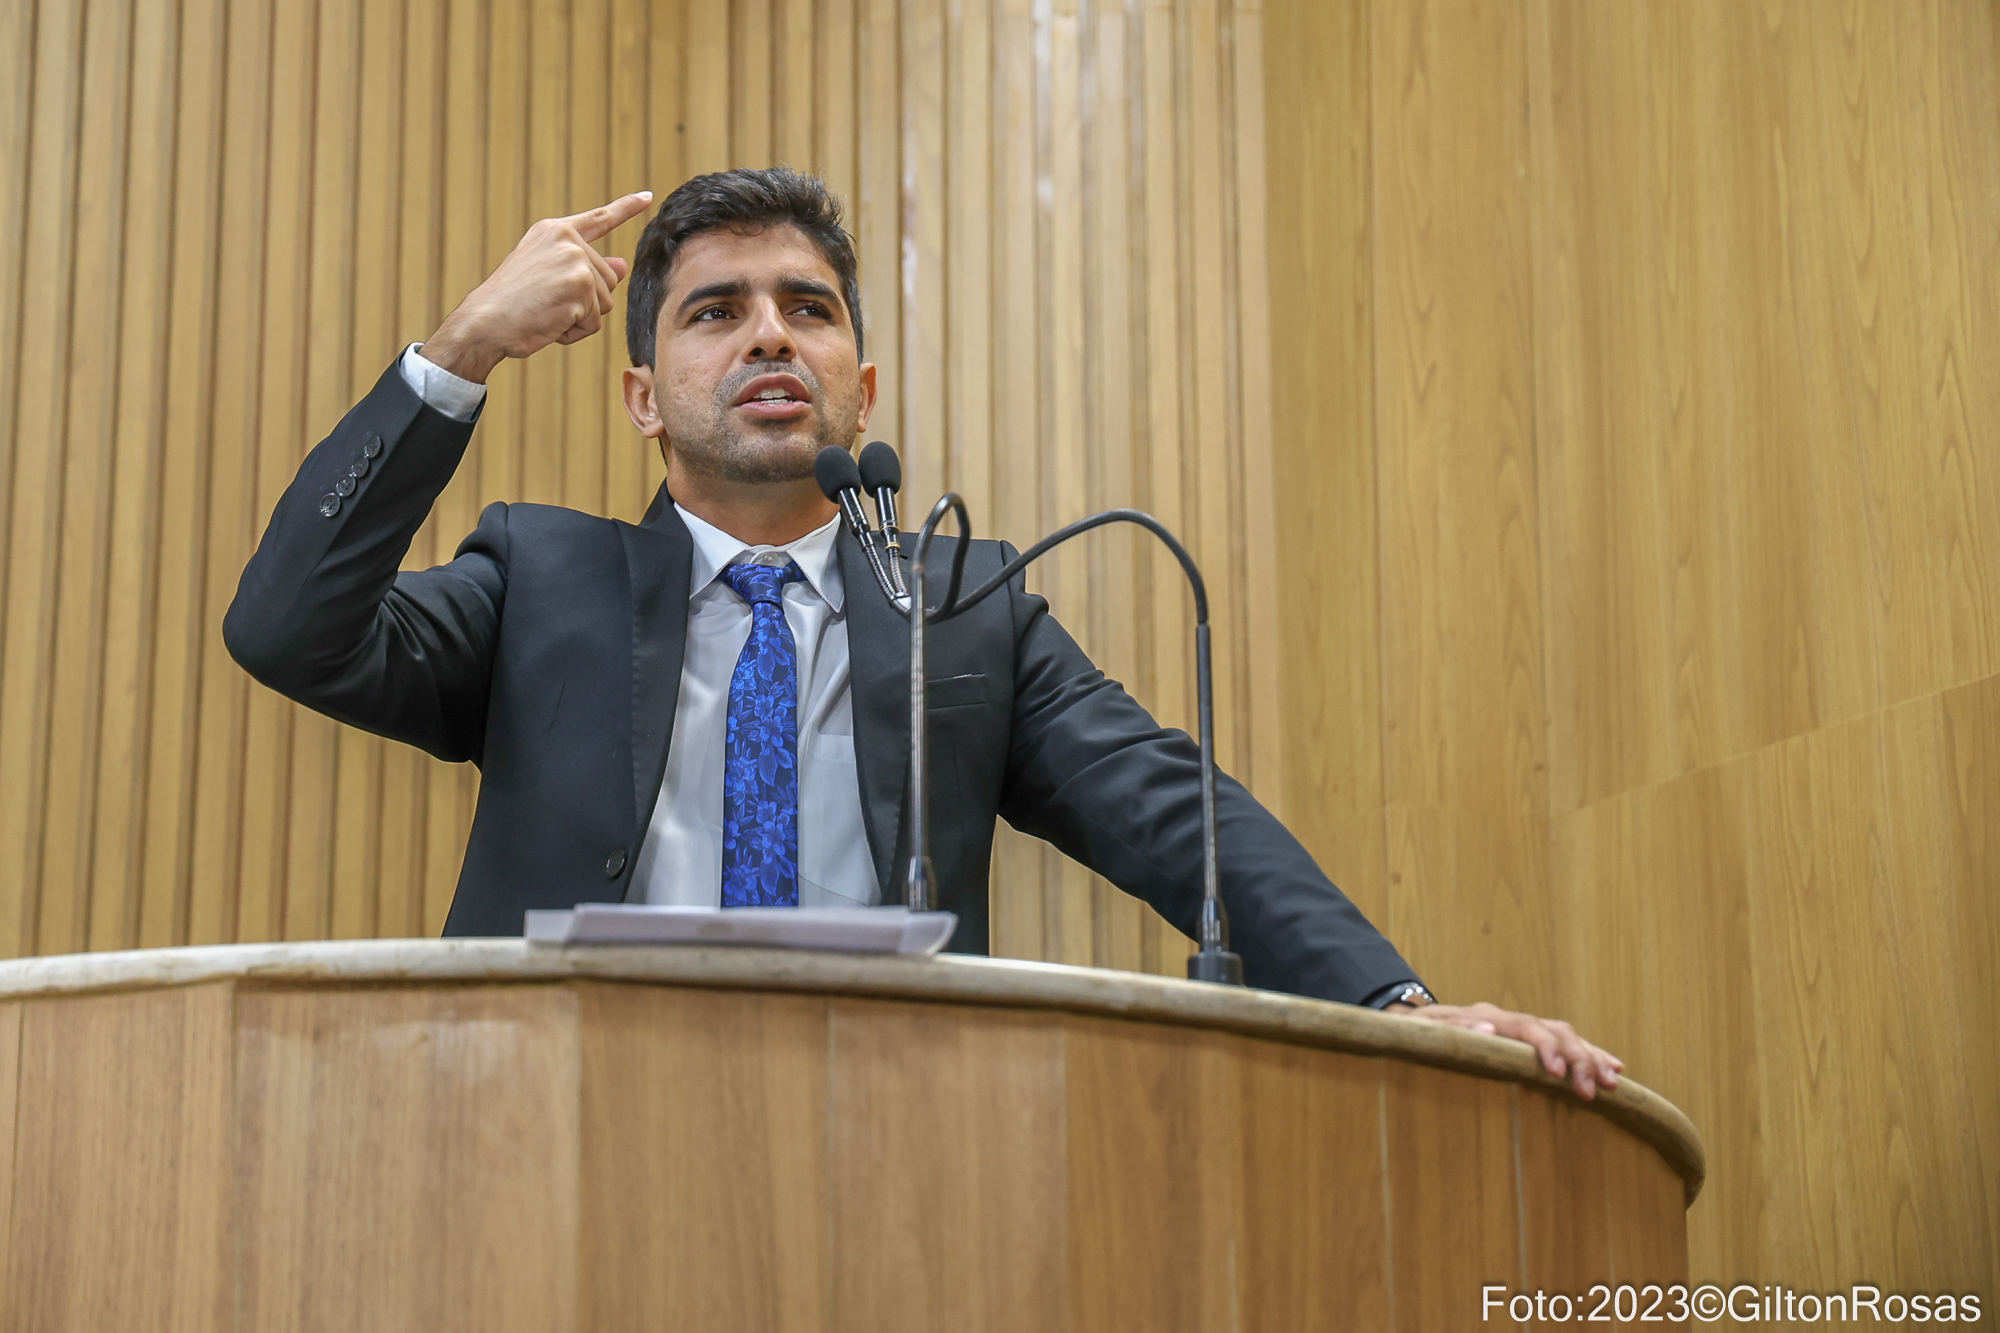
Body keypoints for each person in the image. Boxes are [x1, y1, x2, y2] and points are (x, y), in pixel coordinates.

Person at [225, 168, 1622, 1099]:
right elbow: (289, 629)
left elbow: (1174, 809)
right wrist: (463, 347)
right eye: (717, 312)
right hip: (555, 1122)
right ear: (644, 396)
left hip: (895, 1142)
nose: (771, 336)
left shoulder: (966, 608)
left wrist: (1393, 1002)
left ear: (863, 387)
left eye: (808, 310)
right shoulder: (542, 576)